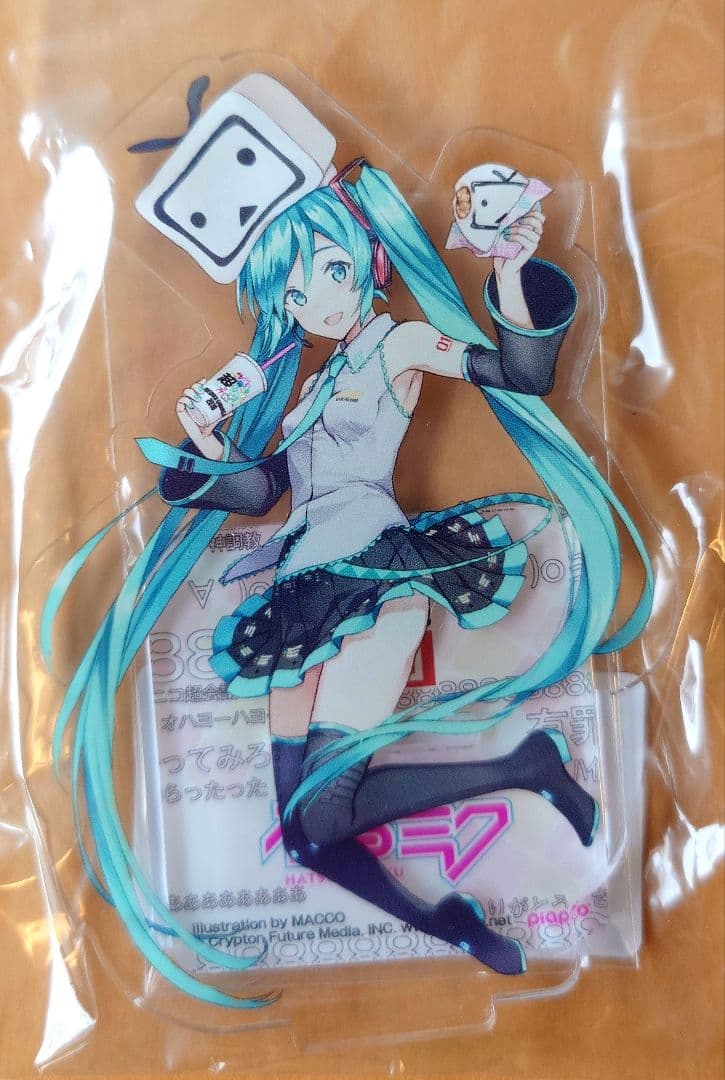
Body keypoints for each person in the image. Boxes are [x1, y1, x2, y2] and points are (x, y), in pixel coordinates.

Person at [46, 161, 652, 1005]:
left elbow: (518, 374)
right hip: (297, 600)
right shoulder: (308, 386)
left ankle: (520, 780)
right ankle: (463, 895)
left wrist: (511, 269)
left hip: (373, 580)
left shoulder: (397, 345)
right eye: (295, 293)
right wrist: (207, 439)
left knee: (324, 811)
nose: (317, 302)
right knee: (303, 835)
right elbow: (264, 491)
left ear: (369, 259)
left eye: (331, 269)